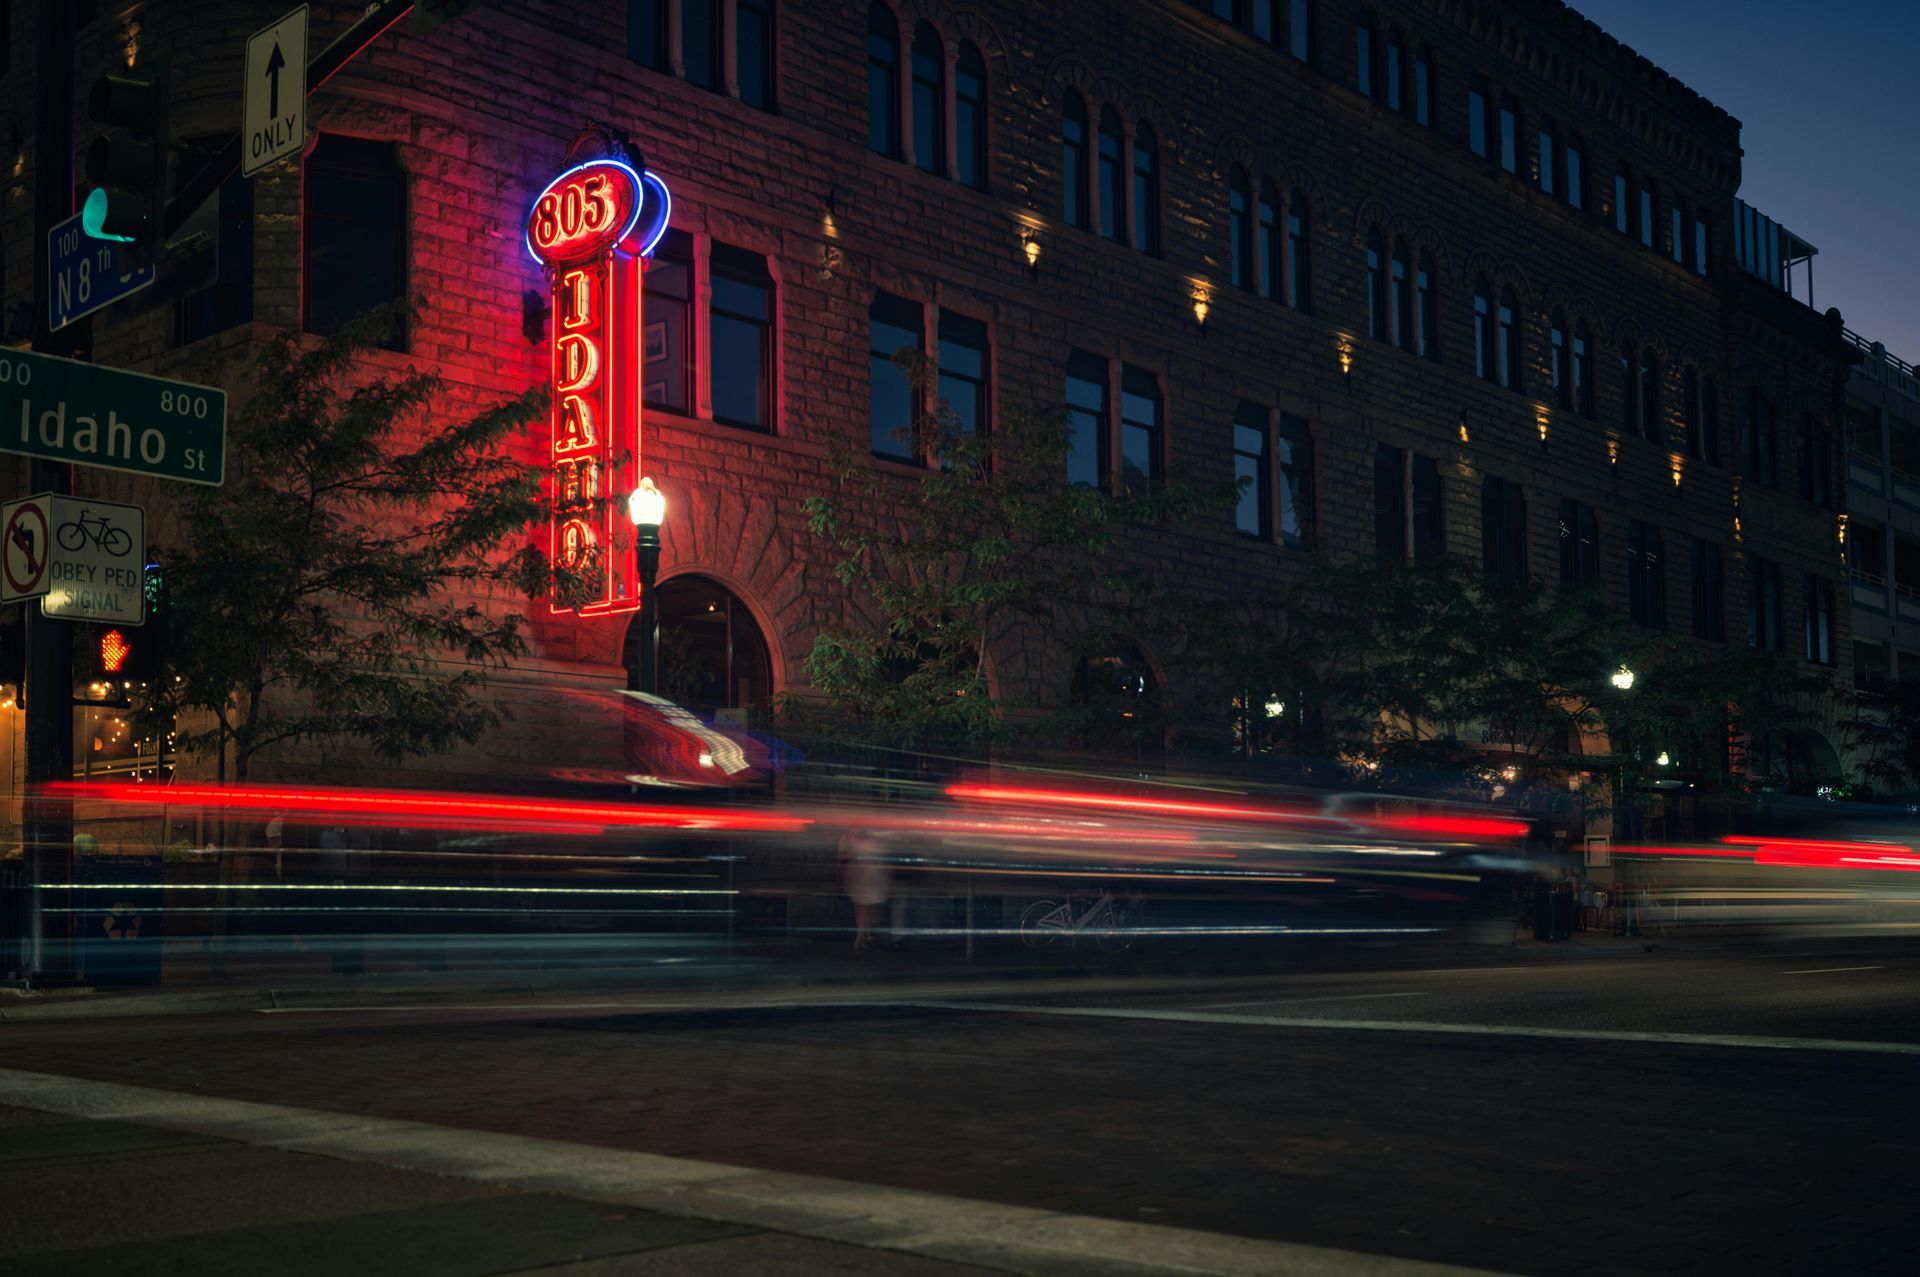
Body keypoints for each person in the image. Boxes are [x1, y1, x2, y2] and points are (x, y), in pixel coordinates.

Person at [840, 830, 891, 950]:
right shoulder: (878, 839)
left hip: (858, 873)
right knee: (869, 906)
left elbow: (842, 856)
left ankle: (861, 935)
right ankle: (866, 935)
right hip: (873, 875)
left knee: (860, 906)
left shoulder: (848, 838)